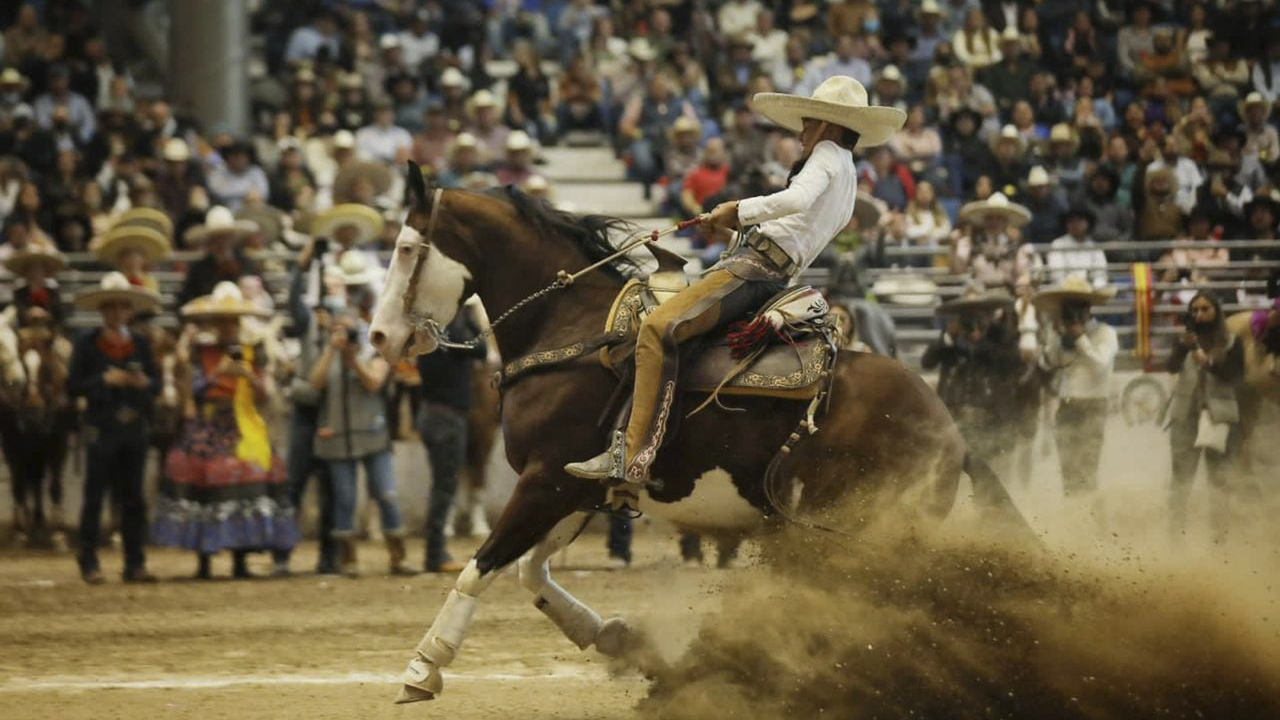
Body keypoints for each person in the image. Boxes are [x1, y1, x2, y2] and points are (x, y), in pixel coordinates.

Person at [565, 76, 905, 494]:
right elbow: (797, 229)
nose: (800, 134)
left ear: (828, 126)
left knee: (656, 329)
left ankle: (631, 452)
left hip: (753, 269)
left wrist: (736, 210)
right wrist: (732, 233)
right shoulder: (849, 174)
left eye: (807, 124)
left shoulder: (827, 155)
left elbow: (796, 201)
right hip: (772, 269)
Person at [152, 283, 297, 579]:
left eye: (233, 321)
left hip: (241, 424)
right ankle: (204, 561)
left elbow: (264, 397)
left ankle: (241, 559)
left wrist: (249, 377)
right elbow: (191, 391)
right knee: (202, 487)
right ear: (216, 323)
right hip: (207, 425)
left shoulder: (252, 353)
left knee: (248, 484)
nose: (228, 326)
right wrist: (217, 374)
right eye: (223, 320)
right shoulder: (200, 353)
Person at [309, 251, 414, 577]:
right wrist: (331, 348)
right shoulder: (325, 349)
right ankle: (348, 559)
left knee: (386, 493)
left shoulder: (373, 348)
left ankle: (398, 557)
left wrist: (353, 357)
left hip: (372, 429)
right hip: (338, 431)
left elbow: (373, 383)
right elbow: (314, 384)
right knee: (344, 497)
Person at [67, 272, 162, 584]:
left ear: (129, 310)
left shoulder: (139, 343)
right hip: (101, 425)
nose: (118, 312)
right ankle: (89, 560)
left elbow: (156, 383)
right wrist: (103, 381)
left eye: (123, 307)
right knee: (95, 495)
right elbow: (73, 386)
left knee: (133, 496)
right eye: (112, 307)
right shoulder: (87, 343)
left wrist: (143, 383)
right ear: (103, 310)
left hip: (133, 427)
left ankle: (135, 562)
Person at [1164, 291, 1245, 542]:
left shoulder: (1232, 342)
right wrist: (1182, 347)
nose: (1199, 314)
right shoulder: (1186, 341)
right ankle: (1175, 539)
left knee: (1219, 483)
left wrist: (1209, 362)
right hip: (1185, 415)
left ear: (1216, 312)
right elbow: (1170, 367)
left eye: (1205, 309)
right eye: (1195, 310)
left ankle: (1220, 541)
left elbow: (1234, 375)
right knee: (1181, 482)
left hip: (1218, 418)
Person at [416, 307, 487, 573]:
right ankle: (435, 554)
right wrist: (471, 319)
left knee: (441, 486)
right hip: (448, 418)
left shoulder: (429, 330)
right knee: (444, 487)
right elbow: (481, 349)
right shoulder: (454, 331)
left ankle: (436, 550)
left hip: (431, 413)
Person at [1035, 275, 1118, 499]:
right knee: (1068, 472)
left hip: (1093, 407)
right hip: (1067, 406)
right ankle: (1073, 520)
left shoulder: (1106, 333)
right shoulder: (1060, 336)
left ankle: (1091, 522)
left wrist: (1080, 337)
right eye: (1068, 308)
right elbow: (1048, 363)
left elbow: (1100, 366)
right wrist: (1054, 335)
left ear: (1089, 309)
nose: (1072, 313)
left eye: (1077, 307)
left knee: (1087, 470)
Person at [922, 287, 1022, 464]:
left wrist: (983, 342)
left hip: (991, 419)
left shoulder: (1001, 336)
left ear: (988, 315)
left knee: (992, 474)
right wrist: (948, 338)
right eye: (967, 315)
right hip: (956, 417)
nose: (974, 320)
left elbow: (1014, 365)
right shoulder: (949, 340)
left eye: (979, 314)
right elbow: (927, 363)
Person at [177, 206, 260, 306]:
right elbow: (183, 301)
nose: (221, 242)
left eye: (225, 237)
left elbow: (262, 295)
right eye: (216, 238)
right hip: (208, 319)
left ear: (232, 238)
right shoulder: (199, 268)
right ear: (209, 241)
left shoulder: (246, 263)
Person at [1045, 207, 1109, 289]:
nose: (1076, 224)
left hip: (1090, 292)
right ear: (1066, 224)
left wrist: (1092, 288)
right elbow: (1057, 275)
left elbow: (1101, 274)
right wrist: (1072, 287)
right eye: (1071, 221)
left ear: (1087, 223)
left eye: (1080, 220)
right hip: (1063, 292)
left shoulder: (1094, 247)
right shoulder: (1057, 244)